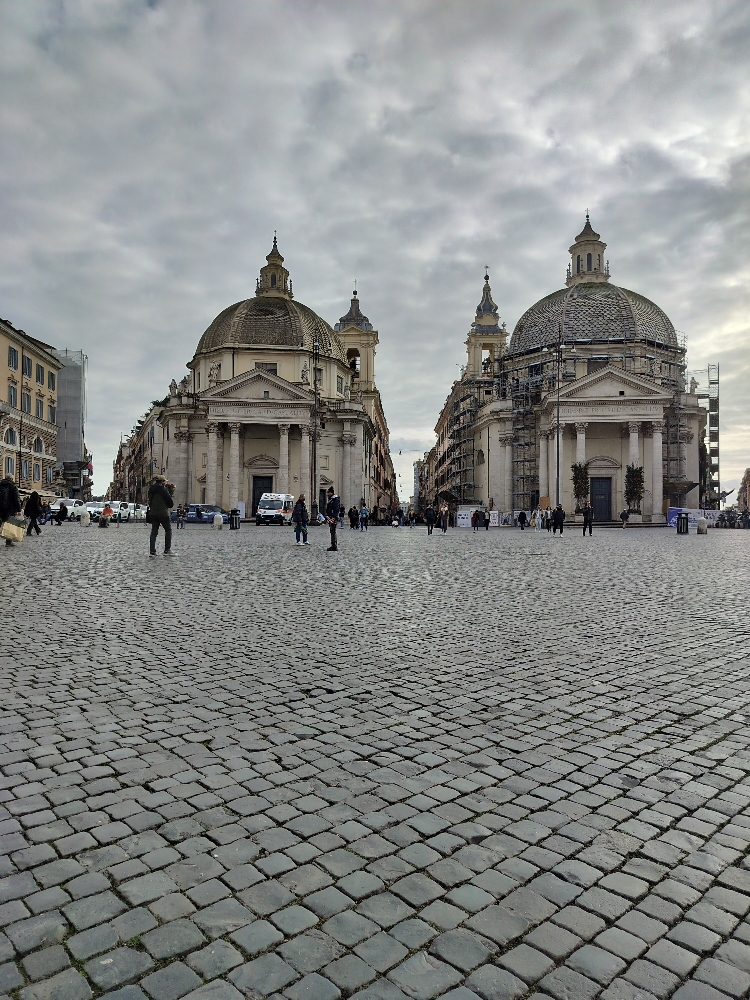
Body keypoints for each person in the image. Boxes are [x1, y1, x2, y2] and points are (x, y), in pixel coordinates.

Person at [148, 474, 174, 557]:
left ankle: (152, 551)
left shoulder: (151, 489)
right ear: (162, 481)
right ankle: (167, 549)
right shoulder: (163, 489)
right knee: (168, 530)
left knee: (154, 532)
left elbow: (150, 501)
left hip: (153, 513)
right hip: (163, 513)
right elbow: (170, 503)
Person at [0, 476, 22, 547]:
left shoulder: (0, 485)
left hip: (0, 508)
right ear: (11, 479)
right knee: (9, 525)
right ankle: (8, 542)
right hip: (10, 509)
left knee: (1, 524)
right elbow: (16, 499)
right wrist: (19, 510)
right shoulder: (13, 487)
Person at [325, 486, 340, 551]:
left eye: (328, 493)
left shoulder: (335, 500)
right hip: (330, 517)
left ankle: (334, 545)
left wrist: (334, 517)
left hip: (333, 518)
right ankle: (333, 544)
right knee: (332, 531)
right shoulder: (331, 499)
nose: (327, 494)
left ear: (331, 493)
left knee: (333, 531)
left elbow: (336, 509)